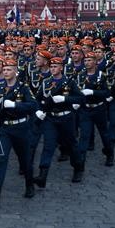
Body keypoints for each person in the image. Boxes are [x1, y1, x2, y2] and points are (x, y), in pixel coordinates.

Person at [0, 59, 37, 206]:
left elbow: (33, 105)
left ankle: (29, 184)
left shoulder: (23, 88)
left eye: (9, 70)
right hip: (4, 128)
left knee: (25, 160)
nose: (6, 72)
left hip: (21, 128)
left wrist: (16, 105)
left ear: (15, 71)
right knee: (0, 159)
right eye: (5, 70)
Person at [33, 57, 83, 187]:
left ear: (61, 67)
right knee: (48, 146)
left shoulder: (69, 82)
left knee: (71, 144)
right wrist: (38, 110)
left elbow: (80, 98)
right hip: (51, 118)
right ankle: (42, 175)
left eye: (55, 66)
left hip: (66, 118)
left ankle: (78, 168)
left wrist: (65, 99)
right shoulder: (45, 82)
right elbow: (37, 99)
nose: (53, 69)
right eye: (51, 66)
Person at [75, 52, 114, 169]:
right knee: (84, 137)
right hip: (85, 109)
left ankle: (109, 154)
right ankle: (80, 166)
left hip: (99, 108)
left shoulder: (102, 75)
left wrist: (93, 92)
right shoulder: (80, 75)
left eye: (89, 60)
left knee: (104, 134)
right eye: (85, 61)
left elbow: (107, 92)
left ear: (95, 62)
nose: (87, 63)